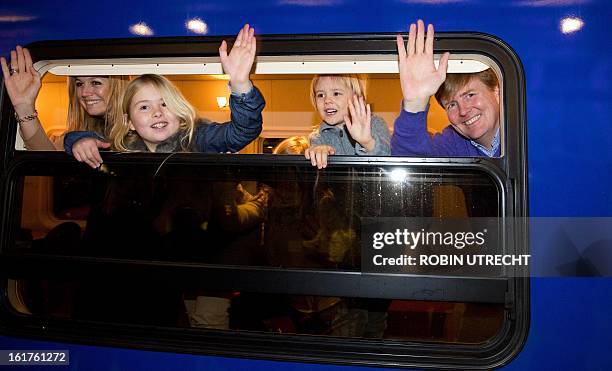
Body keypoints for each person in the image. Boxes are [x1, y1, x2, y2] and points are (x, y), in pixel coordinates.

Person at [64, 24, 264, 168]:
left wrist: (239, 84)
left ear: (178, 110)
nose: (157, 113)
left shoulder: (197, 138)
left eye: (165, 104)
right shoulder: (122, 146)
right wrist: (80, 141)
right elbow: (77, 138)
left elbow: (244, 131)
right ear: (129, 122)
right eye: (144, 107)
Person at [391, 20, 501, 157]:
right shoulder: (452, 142)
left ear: (496, 91)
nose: (463, 111)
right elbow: (408, 162)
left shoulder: (526, 127)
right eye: (452, 105)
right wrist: (415, 104)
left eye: (470, 95)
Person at [1, 46, 127, 150]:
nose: (84, 93)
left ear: (118, 86)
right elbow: (46, 158)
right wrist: (24, 108)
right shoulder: (74, 137)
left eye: (95, 83)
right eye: (79, 84)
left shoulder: (138, 129)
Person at [304, 74, 391, 169]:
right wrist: (318, 152)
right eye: (320, 95)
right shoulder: (318, 138)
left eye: (336, 93)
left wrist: (367, 142)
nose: (327, 100)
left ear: (356, 98)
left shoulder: (374, 123)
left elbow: (388, 157)